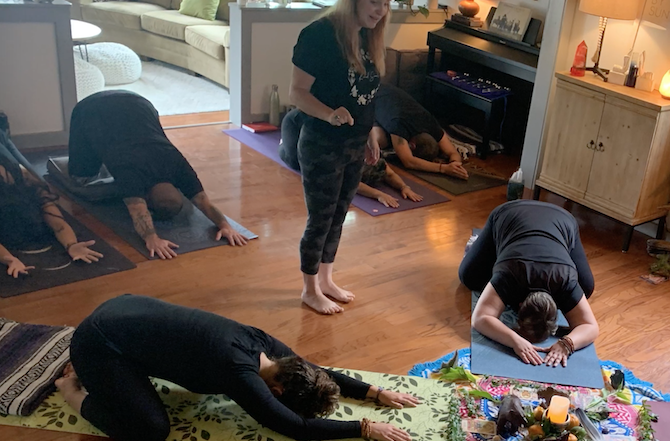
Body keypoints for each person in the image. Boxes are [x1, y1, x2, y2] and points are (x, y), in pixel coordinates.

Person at [54, 295, 419, 441]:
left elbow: (317, 370)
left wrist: (374, 392)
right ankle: (72, 389)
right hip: (99, 342)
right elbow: (294, 428)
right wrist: (365, 428)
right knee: (150, 430)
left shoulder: (268, 348)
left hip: (123, 309)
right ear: (275, 392)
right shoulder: (238, 373)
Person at [289, 0, 388, 315]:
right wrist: (329, 114)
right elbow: (297, 92)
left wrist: (370, 132)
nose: (381, 10)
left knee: (339, 215)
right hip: (322, 143)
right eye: (375, 2)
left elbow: (365, 97)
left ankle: (326, 280)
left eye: (387, 4)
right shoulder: (318, 34)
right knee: (320, 218)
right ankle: (309, 289)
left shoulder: (366, 35)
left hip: (355, 144)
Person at [67, 91, 248, 260]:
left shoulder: (178, 164)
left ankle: (106, 151)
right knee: (82, 178)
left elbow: (203, 201)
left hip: (139, 103)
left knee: (112, 154)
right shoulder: (134, 175)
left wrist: (225, 226)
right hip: (90, 109)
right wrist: (151, 238)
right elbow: (138, 211)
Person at [459, 200, 598, 367]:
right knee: (469, 277)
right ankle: (484, 243)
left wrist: (567, 343)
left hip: (563, 220)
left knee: (586, 286)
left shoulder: (565, 282)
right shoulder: (510, 275)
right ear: (519, 304)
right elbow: (480, 318)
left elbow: (591, 326)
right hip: (508, 214)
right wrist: (515, 340)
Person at [0, 112, 103, 278]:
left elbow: (58, 224)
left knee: (30, 174)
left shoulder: (30, 187)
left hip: (14, 174)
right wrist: (9, 259)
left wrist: (71, 244)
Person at [279, 108, 423, 208]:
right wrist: (379, 195)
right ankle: (283, 143)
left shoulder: (371, 162)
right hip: (296, 120)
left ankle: (289, 142)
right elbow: (354, 185)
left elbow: (389, 174)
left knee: (305, 162)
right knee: (296, 161)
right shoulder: (351, 160)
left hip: (321, 129)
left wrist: (404, 187)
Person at [372, 84, 468, 179]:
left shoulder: (432, 125)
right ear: (412, 145)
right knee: (380, 141)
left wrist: (455, 164)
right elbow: (408, 162)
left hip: (386, 91)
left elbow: (453, 152)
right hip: (367, 97)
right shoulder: (398, 126)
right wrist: (443, 169)